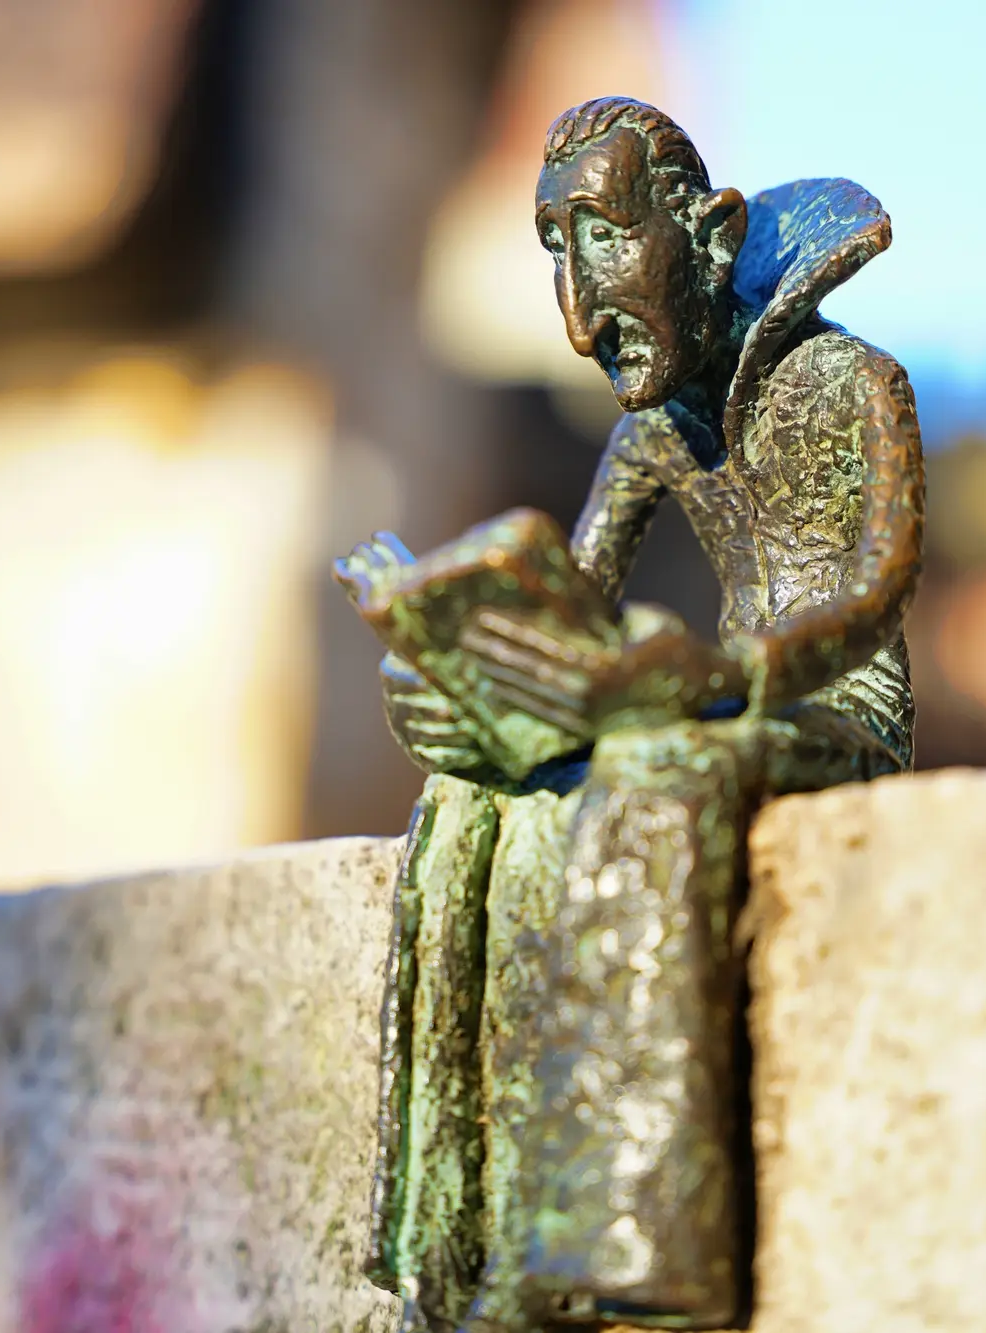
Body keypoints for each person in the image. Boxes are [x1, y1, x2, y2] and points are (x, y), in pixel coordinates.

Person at [359, 96, 924, 1332]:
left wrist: (725, 677)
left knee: (660, 765)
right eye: (552, 249)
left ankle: (631, 1242)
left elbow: (873, 591)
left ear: (709, 234)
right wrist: (469, 694)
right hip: (717, 708)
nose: (576, 308)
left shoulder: (851, 382)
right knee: (468, 806)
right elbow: (575, 600)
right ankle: (463, 1247)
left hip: (827, 715)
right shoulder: (654, 436)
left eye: (602, 238)